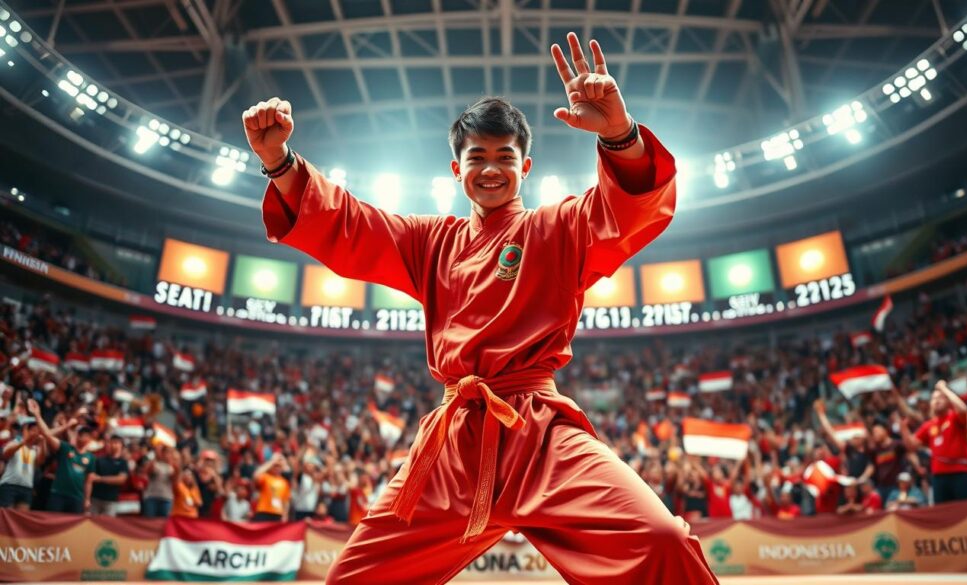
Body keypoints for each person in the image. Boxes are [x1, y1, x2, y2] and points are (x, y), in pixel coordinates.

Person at [244, 31, 718, 584]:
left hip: (541, 436)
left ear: (526, 166)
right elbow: (352, 226)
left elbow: (629, 214)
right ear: (456, 170)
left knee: (661, 540)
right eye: (477, 157)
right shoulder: (431, 242)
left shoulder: (556, 227)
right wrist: (278, 161)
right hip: (453, 445)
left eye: (504, 157)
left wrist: (619, 133)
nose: (491, 169)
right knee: (353, 578)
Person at [901, 380, 967, 503]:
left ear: (948, 401)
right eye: (934, 399)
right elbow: (912, 446)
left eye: (941, 398)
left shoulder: (954, 417)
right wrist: (904, 429)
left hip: (960, 472)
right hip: (939, 476)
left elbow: (963, 410)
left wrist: (944, 389)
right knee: (944, 515)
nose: (937, 401)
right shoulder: (928, 425)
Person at [28, 400, 95, 514]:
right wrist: (37, 415)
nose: (84, 438)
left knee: (72, 528)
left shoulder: (91, 457)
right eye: (82, 434)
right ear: (77, 436)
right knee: (51, 524)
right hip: (58, 494)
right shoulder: (65, 448)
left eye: (87, 436)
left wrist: (87, 499)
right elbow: (47, 434)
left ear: (90, 439)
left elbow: (89, 481)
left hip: (77, 497)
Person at [87, 435, 130, 516]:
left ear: (121, 445)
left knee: (108, 525)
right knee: (92, 524)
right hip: (95, 498)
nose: (113, 445)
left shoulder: (123, 462)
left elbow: (121, 479)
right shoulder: (99, 460)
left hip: (111, 500)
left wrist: (100, 479)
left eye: (116, 443)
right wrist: (87, 499)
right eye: (111, 443)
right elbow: (91, 478)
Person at [252, 453, 290, 522]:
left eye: (279, 466)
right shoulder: (265, 477)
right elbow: (256, 475)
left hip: (277, 514)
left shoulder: (284, 482)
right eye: (274, 466)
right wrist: (272, 462)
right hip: (263, 511)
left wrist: (285, 515)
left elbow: (286, 501)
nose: (276, 468)